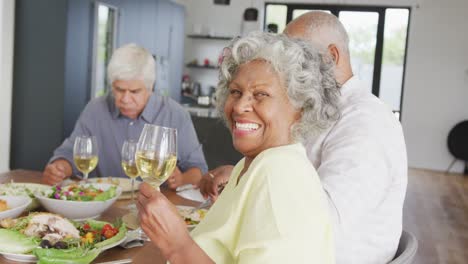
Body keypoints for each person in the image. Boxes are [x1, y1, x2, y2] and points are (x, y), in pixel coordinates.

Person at [200, 11, 408, 264]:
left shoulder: (366, 122)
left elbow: (324, 224)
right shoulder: (316, 114)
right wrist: (243, 178)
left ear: (331, 57)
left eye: (296, 54)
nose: (282, 64)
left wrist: (252, 187)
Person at [137, 32, 339, 263]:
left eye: (261, 94)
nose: (240, 106)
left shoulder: (280, 173)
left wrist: (177, 245)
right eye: (235, 92)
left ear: (300, 107)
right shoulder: (253, 164)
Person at [42, 43, 207, 189]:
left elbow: (198, 169)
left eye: (134, 91)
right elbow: (71, 154)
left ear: (150, 87)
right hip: (104, 205)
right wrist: (60, 167)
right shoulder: (95, 109)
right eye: (119, 90)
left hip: (157, 206)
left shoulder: (175, 114)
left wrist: (182, 179)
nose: (125, 99)